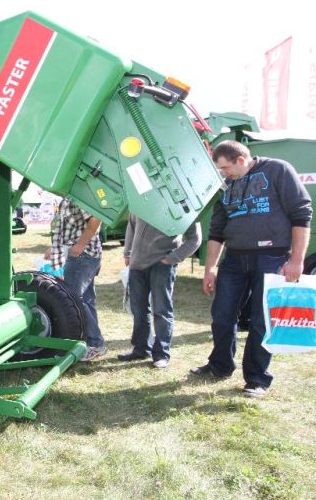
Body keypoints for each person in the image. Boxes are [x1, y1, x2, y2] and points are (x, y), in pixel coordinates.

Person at [192, 140, 312, 398]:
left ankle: (257, 379)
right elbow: (216, 231)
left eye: (226, 168)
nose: (223, 173)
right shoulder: (226, 184)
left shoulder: (278, 170)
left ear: (241, 159)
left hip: (271, 257)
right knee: (222, 316)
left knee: (261, 320)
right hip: (234, 259)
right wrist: (210, 267)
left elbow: (301, 215)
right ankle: (220, 365)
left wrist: (297, 261)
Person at [119, 214, 201, 368]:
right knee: (139, 310)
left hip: (162, 265)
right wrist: (127, 253)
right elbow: (131, 225)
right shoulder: (141, 197)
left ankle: (161, 354)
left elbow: (195, 238)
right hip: (137, 265)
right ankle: (141, 349)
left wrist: (172, 258)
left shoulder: (181, 202)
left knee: (162, 309)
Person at [45, 197, 105, 361]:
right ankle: (90, 343)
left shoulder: (79, 196)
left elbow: (96, 218)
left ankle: (95, 343)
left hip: (83, 256)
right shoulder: (68, 197)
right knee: (85, 300)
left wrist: (80, 245)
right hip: (81, 255)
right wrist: (55, 248)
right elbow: (67, 227)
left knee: (74, 299)